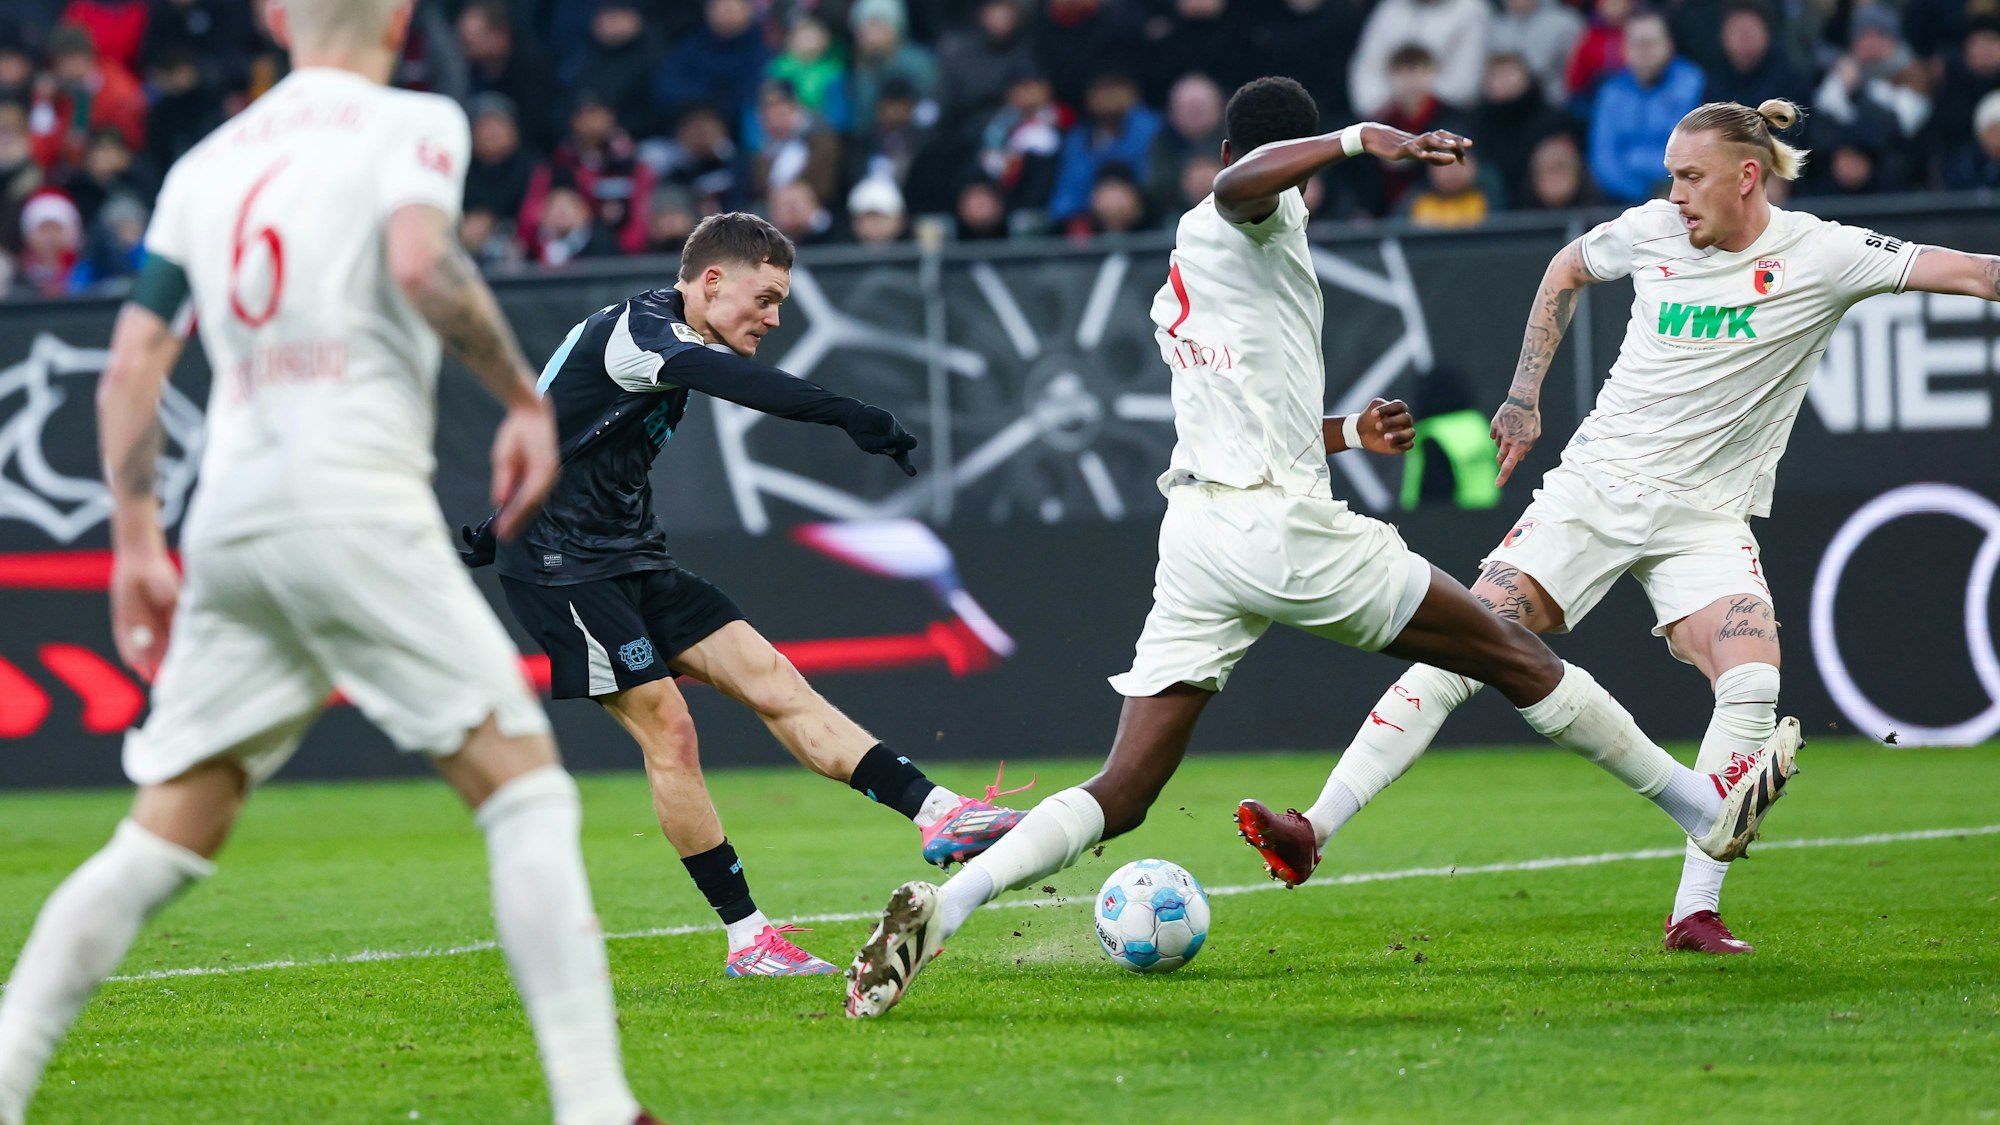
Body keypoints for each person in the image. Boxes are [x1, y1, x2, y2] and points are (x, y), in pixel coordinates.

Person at [844, 78, 1800, 1019]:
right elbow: (1240, 188)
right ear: (1265, 165)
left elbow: (1247, 401)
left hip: (1202, 537)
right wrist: (1354, 140)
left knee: (1125, 786)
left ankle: (949, 906)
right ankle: (1699, 810)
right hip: (1279, 528)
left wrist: (1345, 434)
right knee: (1514, 654)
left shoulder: (1213, 258)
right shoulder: (1237, 215)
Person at [0, 2, 660, 1123]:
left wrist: (133, 546)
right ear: (400, 13)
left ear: (271, 16)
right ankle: (597, 1107)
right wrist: (516, 397)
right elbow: (420, 260)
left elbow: (130, 369)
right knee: (526, 794)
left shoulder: (204, 165)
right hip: (351, 497)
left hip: (232, 521)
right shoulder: (412, 121)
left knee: (166, 831)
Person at [1269, 98, 2000, 956]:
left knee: (1755, 682)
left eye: (1690, 177)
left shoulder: (1824, 254)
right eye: (1670, 177)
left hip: (1704, 516)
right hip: (1593, 492)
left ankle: (1695, 910)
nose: (1675, 194)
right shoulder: (1651, 231)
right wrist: (1522, 395)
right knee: (1465, 642)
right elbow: (1566, 268)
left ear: (1747, 177)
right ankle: (1314, 826)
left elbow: (1981, 274)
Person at [458, 212, 1025, 976]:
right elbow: (734, 381)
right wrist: (850, 414)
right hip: (561, 567)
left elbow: (563, 419)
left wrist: (501, 514)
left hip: (627, 552)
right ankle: (748, 938)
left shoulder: (665, 337)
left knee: (773, 677)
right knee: (672, 729)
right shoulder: (642, 330)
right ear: (711, 281)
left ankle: (938, 813)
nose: (775, 318)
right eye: (765, 298)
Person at [1589, 11, 1706, 203]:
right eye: (1637, 44)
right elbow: (1603, 157)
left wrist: (1662, 188)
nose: (1644, 51)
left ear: (1669, 46)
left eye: (1650, 43)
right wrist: (1641, 195)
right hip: (1622, 200)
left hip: (1679, 193)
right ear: (1624, 49)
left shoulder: (1693, 84)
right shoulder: (1611, 93)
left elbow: (1690, 149)